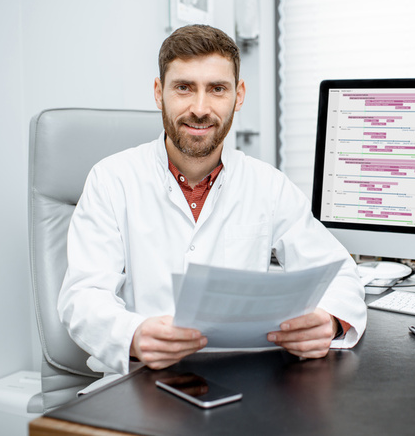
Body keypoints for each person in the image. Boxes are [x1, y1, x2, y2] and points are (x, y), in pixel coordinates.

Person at [58, 24, 367, 378]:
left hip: (244, 379)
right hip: (139, 379)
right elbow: (81, 297)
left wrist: (328, 321)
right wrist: (134, 334)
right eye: (184, 88)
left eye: (217, 89)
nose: (200, 108)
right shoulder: (111, 179)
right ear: (159, 93)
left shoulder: (268, 184)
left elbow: (340, 270)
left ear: (239, 95)